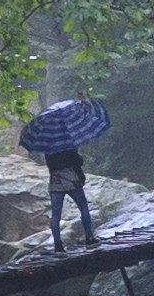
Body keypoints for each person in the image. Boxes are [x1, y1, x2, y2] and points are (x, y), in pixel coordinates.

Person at [20, 94, 107, 246]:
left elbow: (51, 166)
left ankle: (58, 246)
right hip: (71, 180)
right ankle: (89, 238)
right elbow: (76, 161)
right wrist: (78, 157)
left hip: (55, 182)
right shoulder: (68, 141)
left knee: (56, 215)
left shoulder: (49, 144)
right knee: (83, 208)